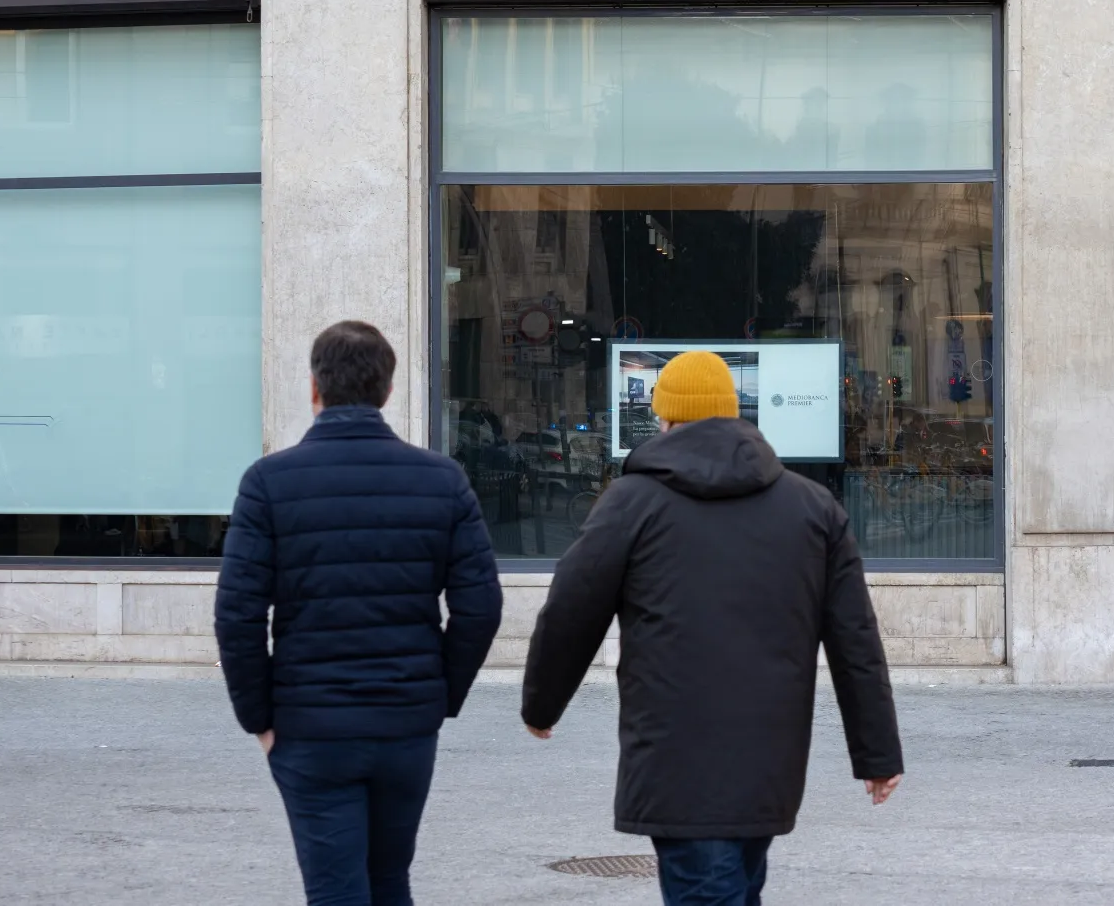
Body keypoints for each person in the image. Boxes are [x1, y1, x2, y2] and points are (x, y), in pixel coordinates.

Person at [521, 350, 903, 906]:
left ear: (668, 420)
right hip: (768, 761)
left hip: (675, 763)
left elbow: (570, 609)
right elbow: (855, 641)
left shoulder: (632, 502)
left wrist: (541, 706)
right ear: (732, 414)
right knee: (738, 888)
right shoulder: (811, 507)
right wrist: (877, 753)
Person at [216, 320, 502, 906]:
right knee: (390, 879)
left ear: (314, 390)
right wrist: (440, 693)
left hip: (310, 724)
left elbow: (238, 614)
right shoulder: (441, 480)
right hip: (405, 722)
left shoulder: (269, 483)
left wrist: (259, 719)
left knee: (335, 889)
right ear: (388, 391)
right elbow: (481, 605)